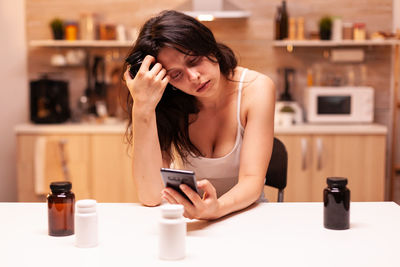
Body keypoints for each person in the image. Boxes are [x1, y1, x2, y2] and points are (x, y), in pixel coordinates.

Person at [123, 10, 275, 220]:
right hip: (192, 219)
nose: (194, 77)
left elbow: (251, 181)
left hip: (247, 215)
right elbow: (150, 196)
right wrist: (142, 107)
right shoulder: (170, 103)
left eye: (194, 60)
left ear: (209, 46)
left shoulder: (257, 88)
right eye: (176, 74)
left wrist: (215, 209)